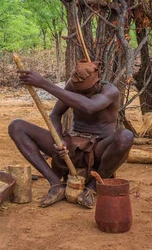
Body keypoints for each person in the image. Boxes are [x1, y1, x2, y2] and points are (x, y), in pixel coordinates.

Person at [8, 60, 133, 208]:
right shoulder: (74, 85)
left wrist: (44, 83)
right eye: (77, 90)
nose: (79, 93)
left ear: (97, 83)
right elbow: (55, 115)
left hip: (98, 148)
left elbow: (89, 106)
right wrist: (59, 141)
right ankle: (55, 183)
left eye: (84, 91)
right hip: (71, 144)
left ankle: (92, 188)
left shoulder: (110, 91)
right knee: (16, 126)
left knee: (125, 136)